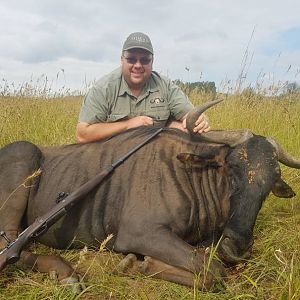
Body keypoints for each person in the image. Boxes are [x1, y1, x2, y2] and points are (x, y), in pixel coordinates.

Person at [76, 32, 210, 143]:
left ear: (152, 61)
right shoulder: (104, 88)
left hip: (154, 157)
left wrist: (199, 121)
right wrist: (128, 125)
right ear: (122, 59)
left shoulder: (165, 86)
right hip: (112, 157)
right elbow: (83, 134)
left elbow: (190, 116)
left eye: (145, 60)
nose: (138, 65)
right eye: (131, 59)